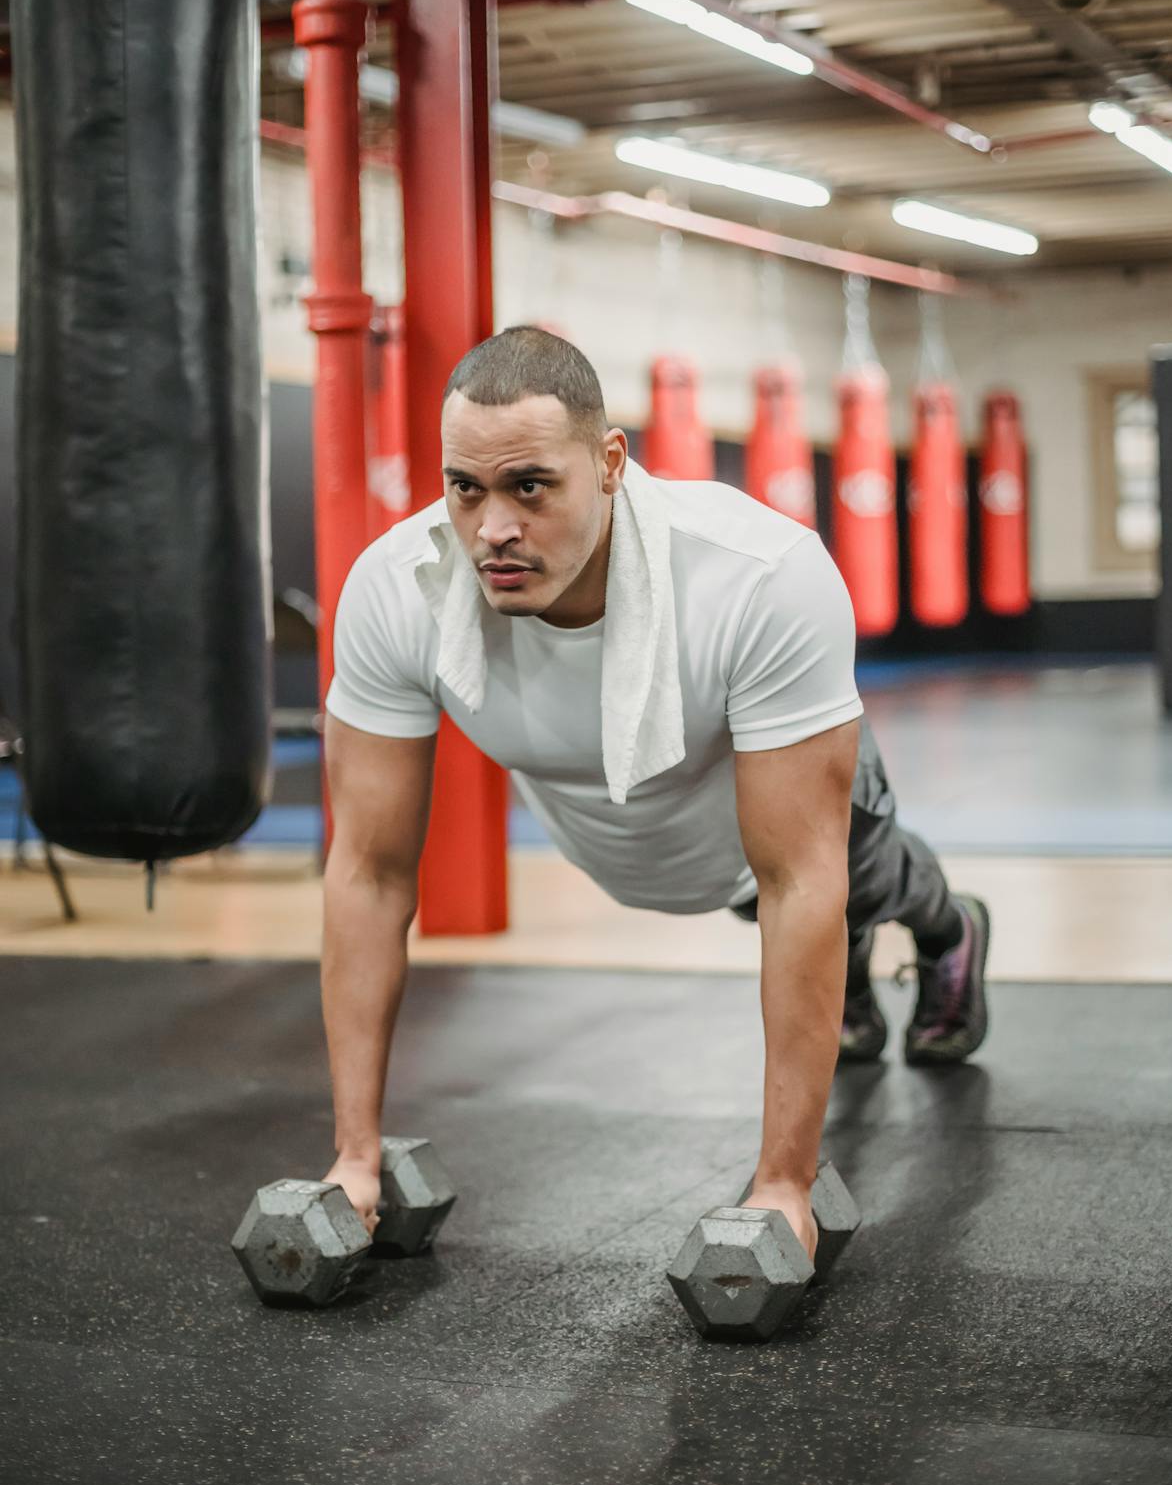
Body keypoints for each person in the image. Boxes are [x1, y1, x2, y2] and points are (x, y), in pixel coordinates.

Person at [319, 327, 990, 1263]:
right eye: (465, 488)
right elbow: (367, 872)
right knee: (775, 906)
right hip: (651, 840)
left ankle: (949, 929)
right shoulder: (399, 591)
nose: (493, 529)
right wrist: (355, 1157)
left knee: (855, 885)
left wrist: (783, 1186)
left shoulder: (757, 577)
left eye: (529, 487)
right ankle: (848, 984)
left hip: (773, 818)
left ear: (609, 463)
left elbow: (804, 878)